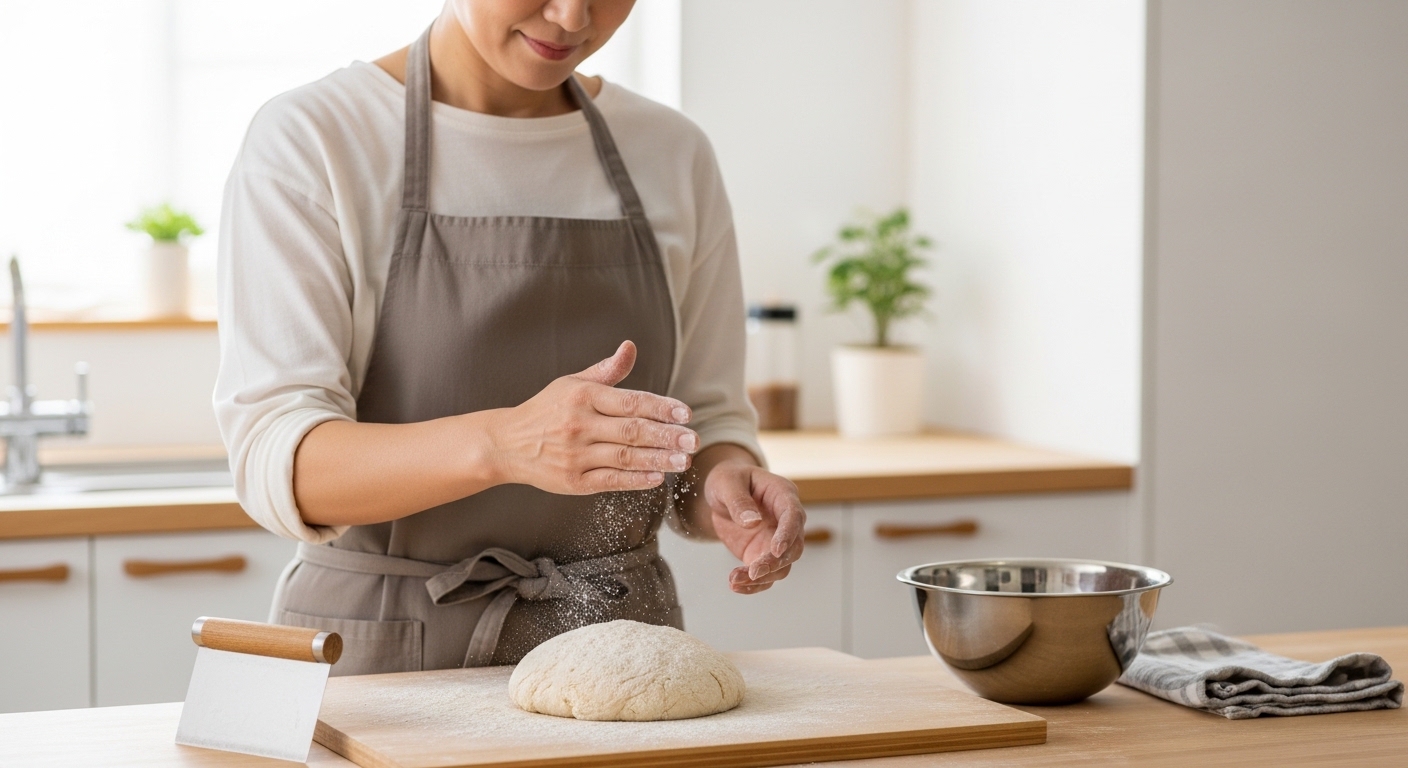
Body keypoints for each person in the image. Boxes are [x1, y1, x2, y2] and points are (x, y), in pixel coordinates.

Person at [214, 0, 806, 675]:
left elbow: (703, 419)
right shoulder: (316, 138)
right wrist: (506, 445)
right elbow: (279, 462)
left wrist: (725, 487)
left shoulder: (671, 151)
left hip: (616, 649)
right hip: (376, 658)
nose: (572, 15)